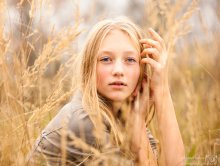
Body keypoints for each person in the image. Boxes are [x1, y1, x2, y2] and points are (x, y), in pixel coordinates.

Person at [26, 17, 185, 166]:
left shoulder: (124, 115)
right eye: (106, 59)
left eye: (130, 60)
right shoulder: (84, 120)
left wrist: (162, 89)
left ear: (141, 72)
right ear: (89, 68)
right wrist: (138, 126)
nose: (118, 70)